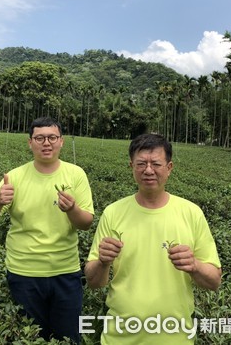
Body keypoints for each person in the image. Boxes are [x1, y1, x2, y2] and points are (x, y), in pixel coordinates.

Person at [84, 133, 221, 345]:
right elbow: (94, 282)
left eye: (156, 163)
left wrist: (194, 265)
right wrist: (103, 262)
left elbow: (213, 281)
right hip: (120, 338)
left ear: (169, 167)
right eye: (141, 164)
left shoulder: (191, 213)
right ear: (131, 166)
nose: (148, 170)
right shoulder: (113, 213)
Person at [0, 117, 94, 344]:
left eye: (52, 137)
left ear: (61, 141)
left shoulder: (76, 174)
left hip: (66, 273)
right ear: (30, 142)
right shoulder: (15, 177)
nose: (46, 143)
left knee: (69, 338)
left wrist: (71, 209)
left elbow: (86, 222)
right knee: (29, 337)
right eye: (40, 138)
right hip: (24, 274)